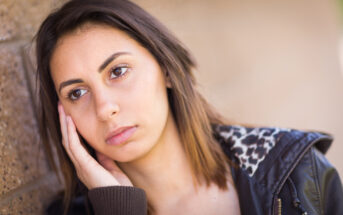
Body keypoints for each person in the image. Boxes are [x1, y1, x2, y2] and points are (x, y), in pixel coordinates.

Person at [35, 0, 343, 214]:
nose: (104, 109)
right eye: (77, 92)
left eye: (118, 71)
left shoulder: (296, 175)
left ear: (166, 69)